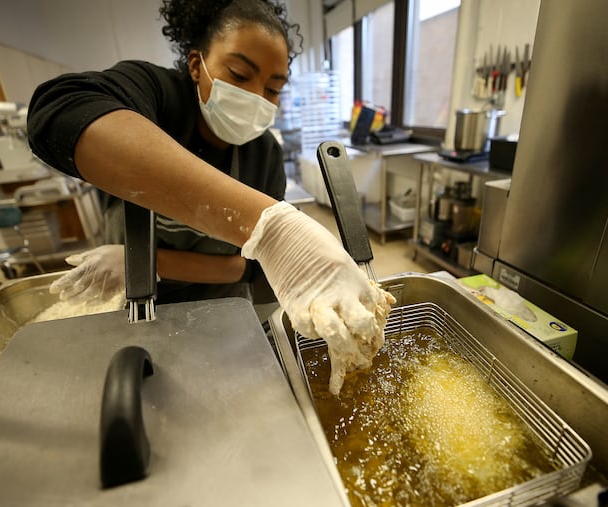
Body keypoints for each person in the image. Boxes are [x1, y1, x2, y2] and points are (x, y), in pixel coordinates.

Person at [27, 0, 394, 395]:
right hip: (139, 308)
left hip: (226, 311)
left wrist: (157, 261)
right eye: (239, 75)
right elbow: (59, 111)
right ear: (196, 64)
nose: (257, 98)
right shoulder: (158, 98)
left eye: (273, 89)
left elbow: (242, 270)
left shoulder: (264, 154)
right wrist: (265, 225)